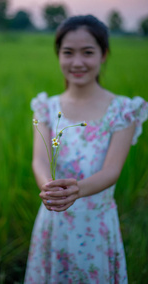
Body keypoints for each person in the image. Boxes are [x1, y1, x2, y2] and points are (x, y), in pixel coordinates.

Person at [24, 15, 148, 283]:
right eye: (68, 52)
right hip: (53, 221)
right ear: (58, 55)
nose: (77, 62)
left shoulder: (123, 110)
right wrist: (50, 190)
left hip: (96, 224)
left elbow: (112, 171)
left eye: (88, 52)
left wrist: (75, 192)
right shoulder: (46, 107)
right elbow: (39, 161)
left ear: (103, 55)